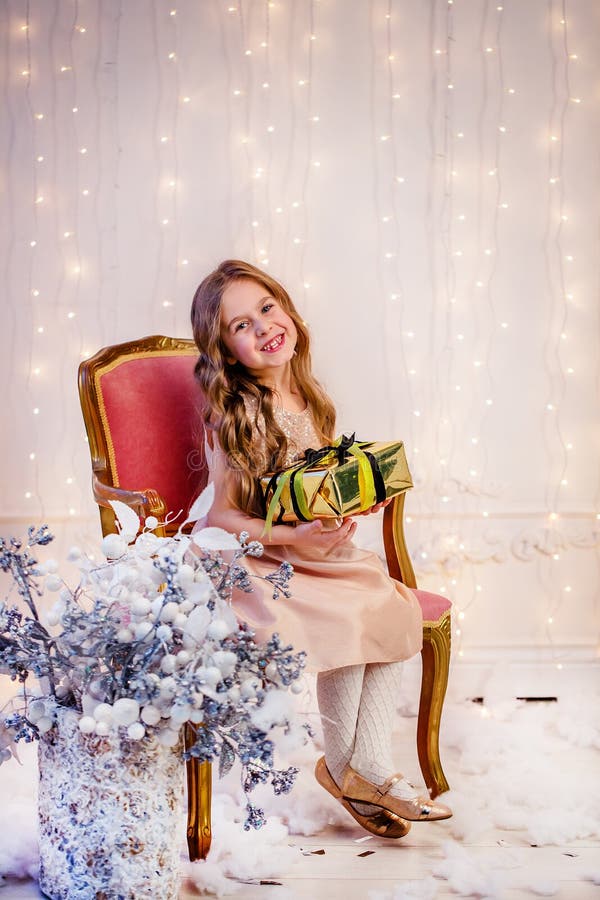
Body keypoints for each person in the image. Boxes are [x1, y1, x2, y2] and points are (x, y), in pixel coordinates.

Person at [190, 259, 451, 838]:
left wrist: (353, 498)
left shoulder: (309, 396)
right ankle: (360, 769)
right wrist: (295, 537)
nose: (262, 328)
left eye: (266, 308)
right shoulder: (238, 413)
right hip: (256, 558)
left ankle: (356, 768)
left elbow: (311, 484)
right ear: (228, 351)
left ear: (287, 309)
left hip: (307, 551)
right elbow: (224, 516)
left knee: (386, 602)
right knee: (353, 610)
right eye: (240, 326)